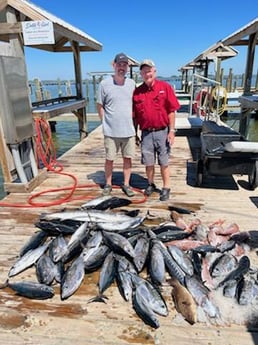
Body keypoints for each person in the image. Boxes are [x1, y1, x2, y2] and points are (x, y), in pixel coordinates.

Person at [133, 59, 180, 201]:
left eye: (149, 70)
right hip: (146, 133)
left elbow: (172, 111)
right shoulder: (137, 92)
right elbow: (135, 116)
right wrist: (135, 134)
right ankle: (150, 184)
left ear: (154, 71)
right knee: (148, 162)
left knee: (164, 162)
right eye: (144, 71)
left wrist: (172, 131)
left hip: (162, 132)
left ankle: (166, 187)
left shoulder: (165, 87)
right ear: (141, 73)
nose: (147, 74)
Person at [97, 52, 136, 197]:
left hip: (129, 130)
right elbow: (100, 105)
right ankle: (108, 184)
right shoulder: (104, 83)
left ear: (127, 67)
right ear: (114, 65)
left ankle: (126, 184)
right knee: (109, 159)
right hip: (111, 131)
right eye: (119, 64)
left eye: (124, 65)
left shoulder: (132, 84)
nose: (122, 67)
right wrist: (104, 122)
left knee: (128, 159)